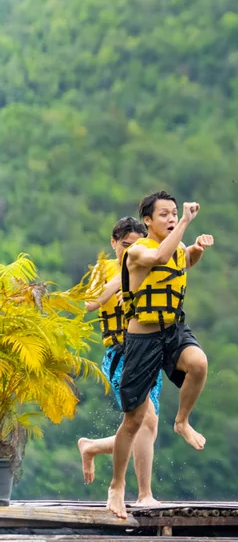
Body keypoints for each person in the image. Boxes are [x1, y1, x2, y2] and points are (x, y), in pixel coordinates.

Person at [106, 191, 213, 518]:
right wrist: (184, 222)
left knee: (198, 363)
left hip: (173, 329)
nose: (170, 218)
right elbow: (161, 259)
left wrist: (195, 249)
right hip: (142, 338)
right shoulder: (138, 251)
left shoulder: (177, 246)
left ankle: (182, 421)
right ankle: (117, 487)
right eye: (164, 214)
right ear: (148, 221)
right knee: (135, 419)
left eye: (174, 213)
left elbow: (182, 259)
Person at [77, 217, 163, 506]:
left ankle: (91, 447)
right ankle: (144, 495)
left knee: (146, 429)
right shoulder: (104, 272)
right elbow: (89, 302)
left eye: (136, 246)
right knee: (145, 420)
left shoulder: (149, 263)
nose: (130, 251)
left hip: (150, 353)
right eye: (125, 245)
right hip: (121, 355)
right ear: (113, 243)